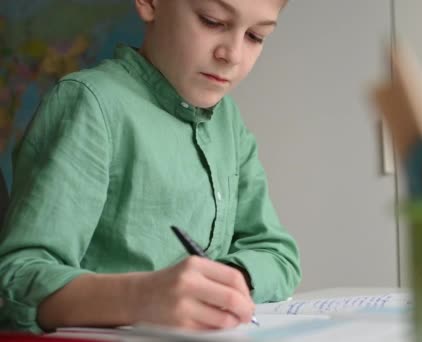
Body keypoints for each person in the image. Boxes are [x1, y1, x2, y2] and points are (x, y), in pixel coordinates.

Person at [0, 0, 300, 333]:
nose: (233, 54)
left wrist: (226, 283)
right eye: (212, 21)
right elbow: (19, 279)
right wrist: (142, 297)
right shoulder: (92, 104)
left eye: (256, 36)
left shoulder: (228, 124)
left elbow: (278, 254)